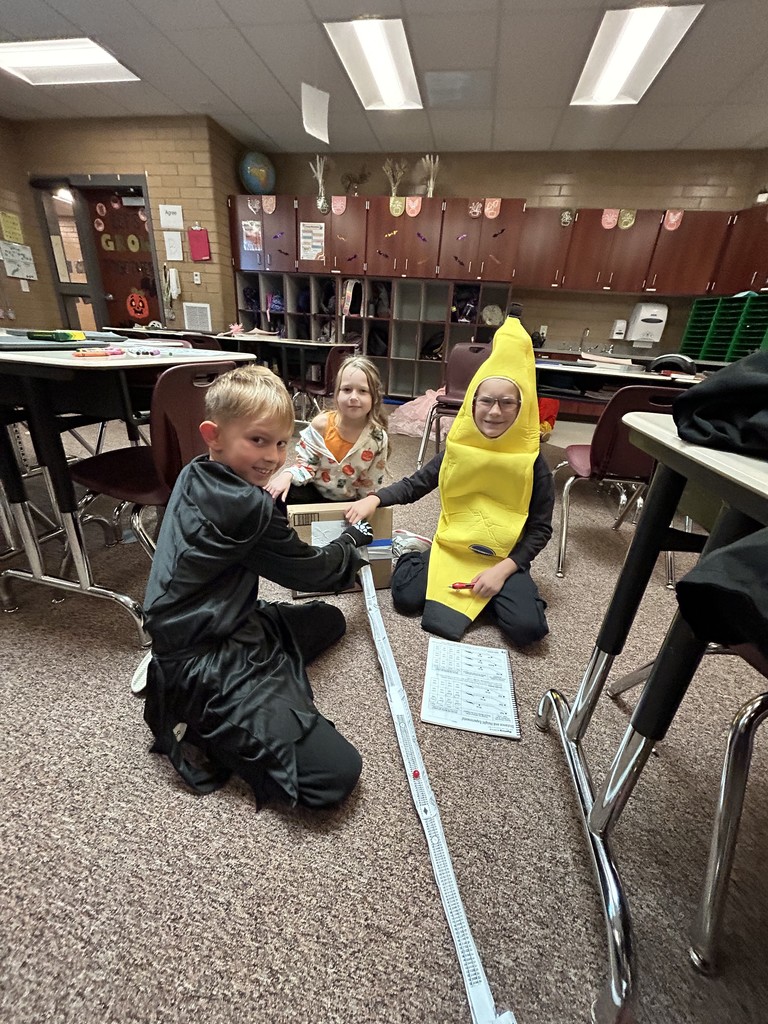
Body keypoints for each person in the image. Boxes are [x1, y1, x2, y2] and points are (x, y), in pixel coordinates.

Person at [141, 363, 373, 810]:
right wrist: (352, 541)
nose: (272, 456)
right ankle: (209, 725)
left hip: (215, 622)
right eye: (258, 440)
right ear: (214, 434)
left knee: (330, 621)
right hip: (201, 659)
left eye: (282, 442)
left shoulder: (195, 470)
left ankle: (242, 697)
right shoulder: (250, 507)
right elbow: (316, 573)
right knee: (335, 774)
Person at [346, 313, 554, 646]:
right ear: (473, 404)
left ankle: (497, 588)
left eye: (506, 403)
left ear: (521, 408)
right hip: (453, 547)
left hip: (502, 556)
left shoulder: (534, 464)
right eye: (486, 401)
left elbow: (541, 528)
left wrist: (505, 570)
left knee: (528, 631)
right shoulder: (457, 451)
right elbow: (416, 484)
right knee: (406, 599)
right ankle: (417, 552)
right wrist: (376, 498)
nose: (494, 412)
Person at [265, 355, 388, 505]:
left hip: (349, 502)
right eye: (347, 389)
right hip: (313, 493)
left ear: (374, 397)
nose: (354, 397)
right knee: (282, 493)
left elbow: (370, 485)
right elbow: (306, 464)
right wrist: (287, 475)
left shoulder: (378, 438)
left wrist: (364, 508)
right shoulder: (321, 424)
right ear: (337, 394)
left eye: (363, 391)